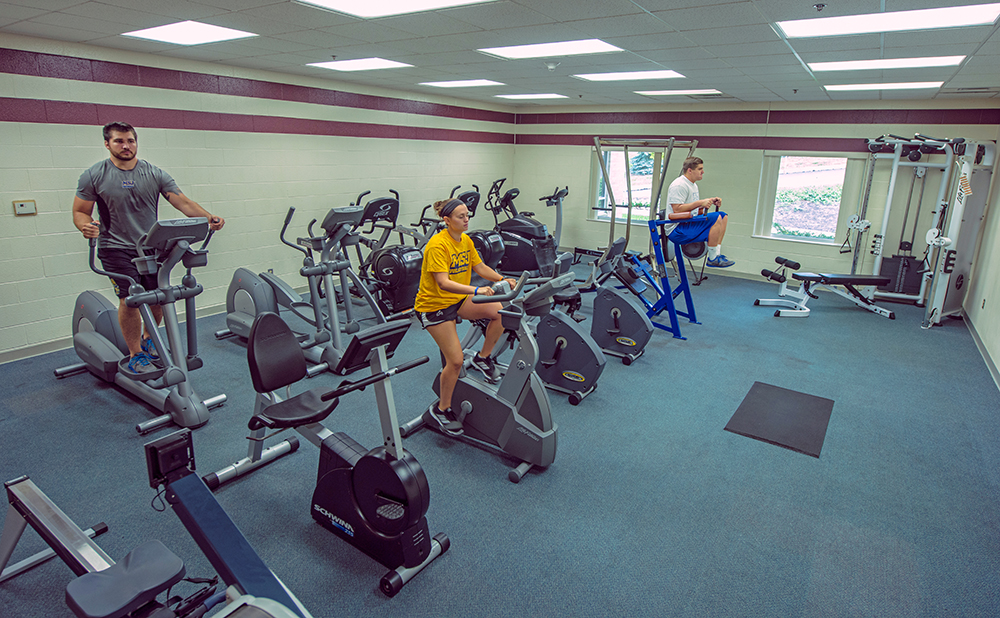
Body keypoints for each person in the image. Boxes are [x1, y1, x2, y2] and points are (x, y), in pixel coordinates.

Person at [72, 121, 225, 375]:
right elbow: (80, 211)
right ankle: (136, 354)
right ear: (107, 144)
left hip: (151, 247)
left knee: (157, 297)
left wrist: (208, 218)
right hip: (115, 247)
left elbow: (183, 202)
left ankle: (148, 337)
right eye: (119, 141)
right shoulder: (94, 175)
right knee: (130, 299)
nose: (126, 146)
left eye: (130, 140)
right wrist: (85, 226)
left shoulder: (154, 173)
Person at [414, 198, 516, 436]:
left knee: (499, 313)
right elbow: (443, 282)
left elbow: (479, 268)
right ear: (446, 221)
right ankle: (442, 409)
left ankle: (483, 358)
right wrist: (477, 290)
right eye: (461, 216)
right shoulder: (437, 246)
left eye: (467, 215)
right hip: (435, 307)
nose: (466, 219)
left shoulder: (466, 240)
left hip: (457, 300)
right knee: (456, 361)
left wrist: (500, 279)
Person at [663, 156, 735, 268]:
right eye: (700, 169)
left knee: (723, 216)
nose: (703, 171)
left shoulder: (693, 185)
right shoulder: (679, 185)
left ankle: (716, 254)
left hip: (687, 223)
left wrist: (710, 201)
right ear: (690, 170)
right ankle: (712, 259)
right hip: (676, 230)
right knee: (716, 217)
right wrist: (700, 202)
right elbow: (677, 209)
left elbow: (695, 210)